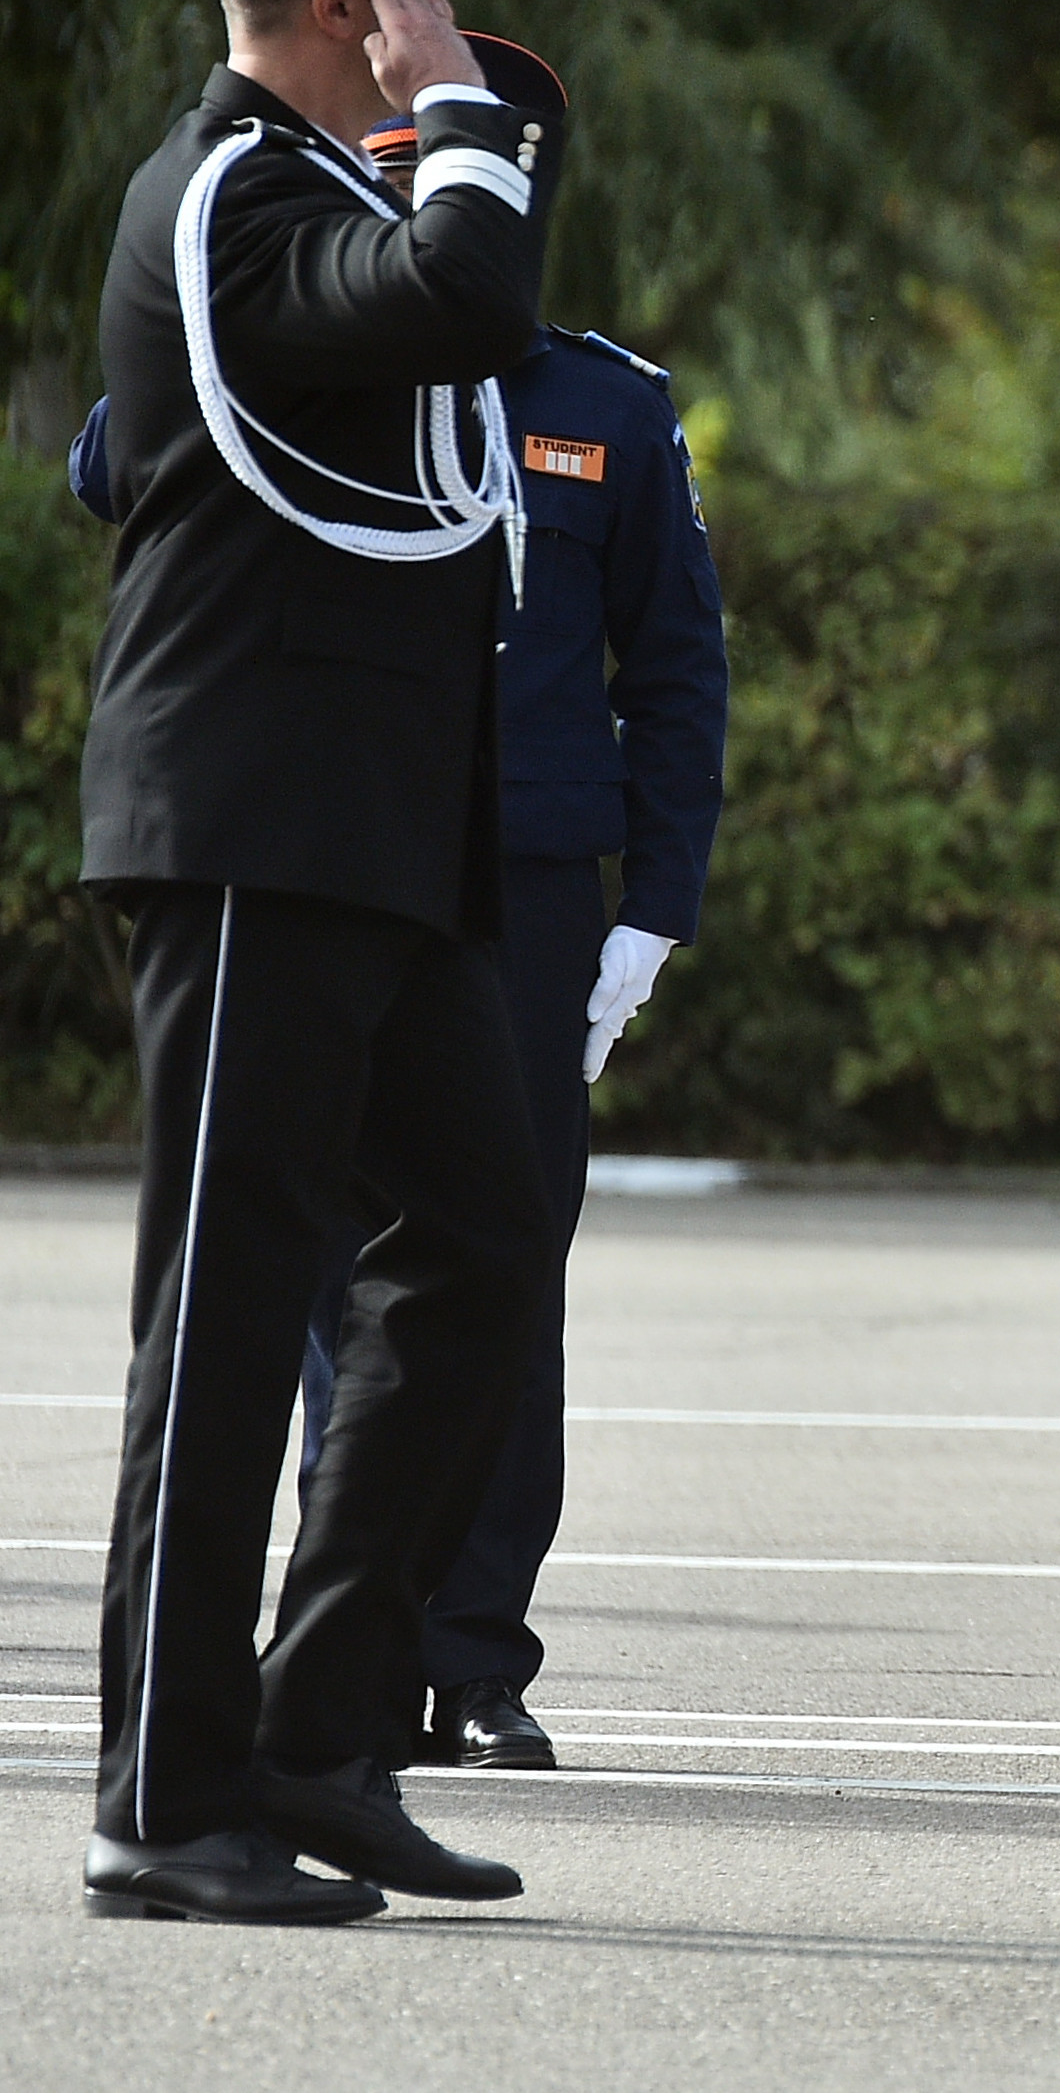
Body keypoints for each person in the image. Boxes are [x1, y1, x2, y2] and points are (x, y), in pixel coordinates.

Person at [68, 112, 729, 1782]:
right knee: (303, 1277)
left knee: (495, 1273)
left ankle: (470, 1648)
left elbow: (673, 666)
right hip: (336, 849)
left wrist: (653, 901)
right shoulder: (294, 323)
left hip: (516, 887)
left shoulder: (603, 402)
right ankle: (331, 1656)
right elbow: (110, 460)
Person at [79, 0, 567, 1927]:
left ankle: (317, 1733)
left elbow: (465, 331)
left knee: (477, 1241)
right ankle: (165, 1799)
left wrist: (444, 132)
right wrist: (462, 117)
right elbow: (466, 290)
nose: (446, 20)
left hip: (372, 842)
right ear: (360, 4)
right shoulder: (229, 200)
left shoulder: (301, 192)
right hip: (258, 825)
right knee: (229, 1306)